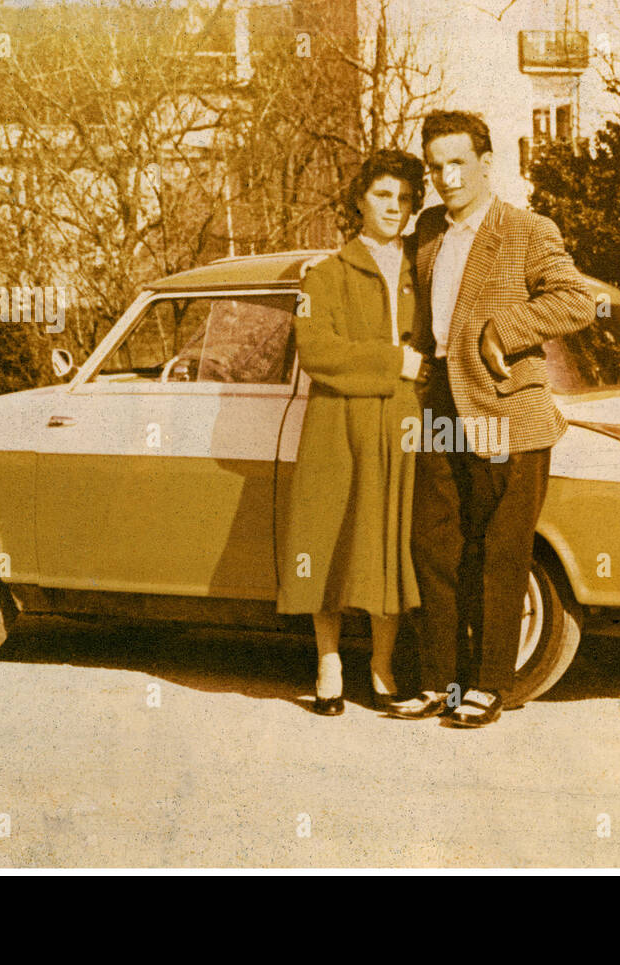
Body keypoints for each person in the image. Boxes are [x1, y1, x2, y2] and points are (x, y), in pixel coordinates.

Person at [386, 110, 595, 728]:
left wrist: (505, 329)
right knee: (433, 544)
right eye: (435, 167)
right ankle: (439, 684)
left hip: (510, 409)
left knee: (501, 552)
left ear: (485, 162)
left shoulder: (527, 230)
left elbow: (577, 300)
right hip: (441, 406)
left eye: (457, 163)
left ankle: (490, 685)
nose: (446, 177)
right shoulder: (425, 231)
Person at [276, 150, 429, 716]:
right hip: (338, 424)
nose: (396, 208)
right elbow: (317, 350)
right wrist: (396, 363)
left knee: (390, 539)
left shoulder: (424, 268)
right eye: (385, 195)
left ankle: (382, 665)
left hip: (405, 422)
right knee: (332, 537)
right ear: (360, 200)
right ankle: (329, 662)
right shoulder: (326, 273)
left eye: (407, 198)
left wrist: (416, 374)